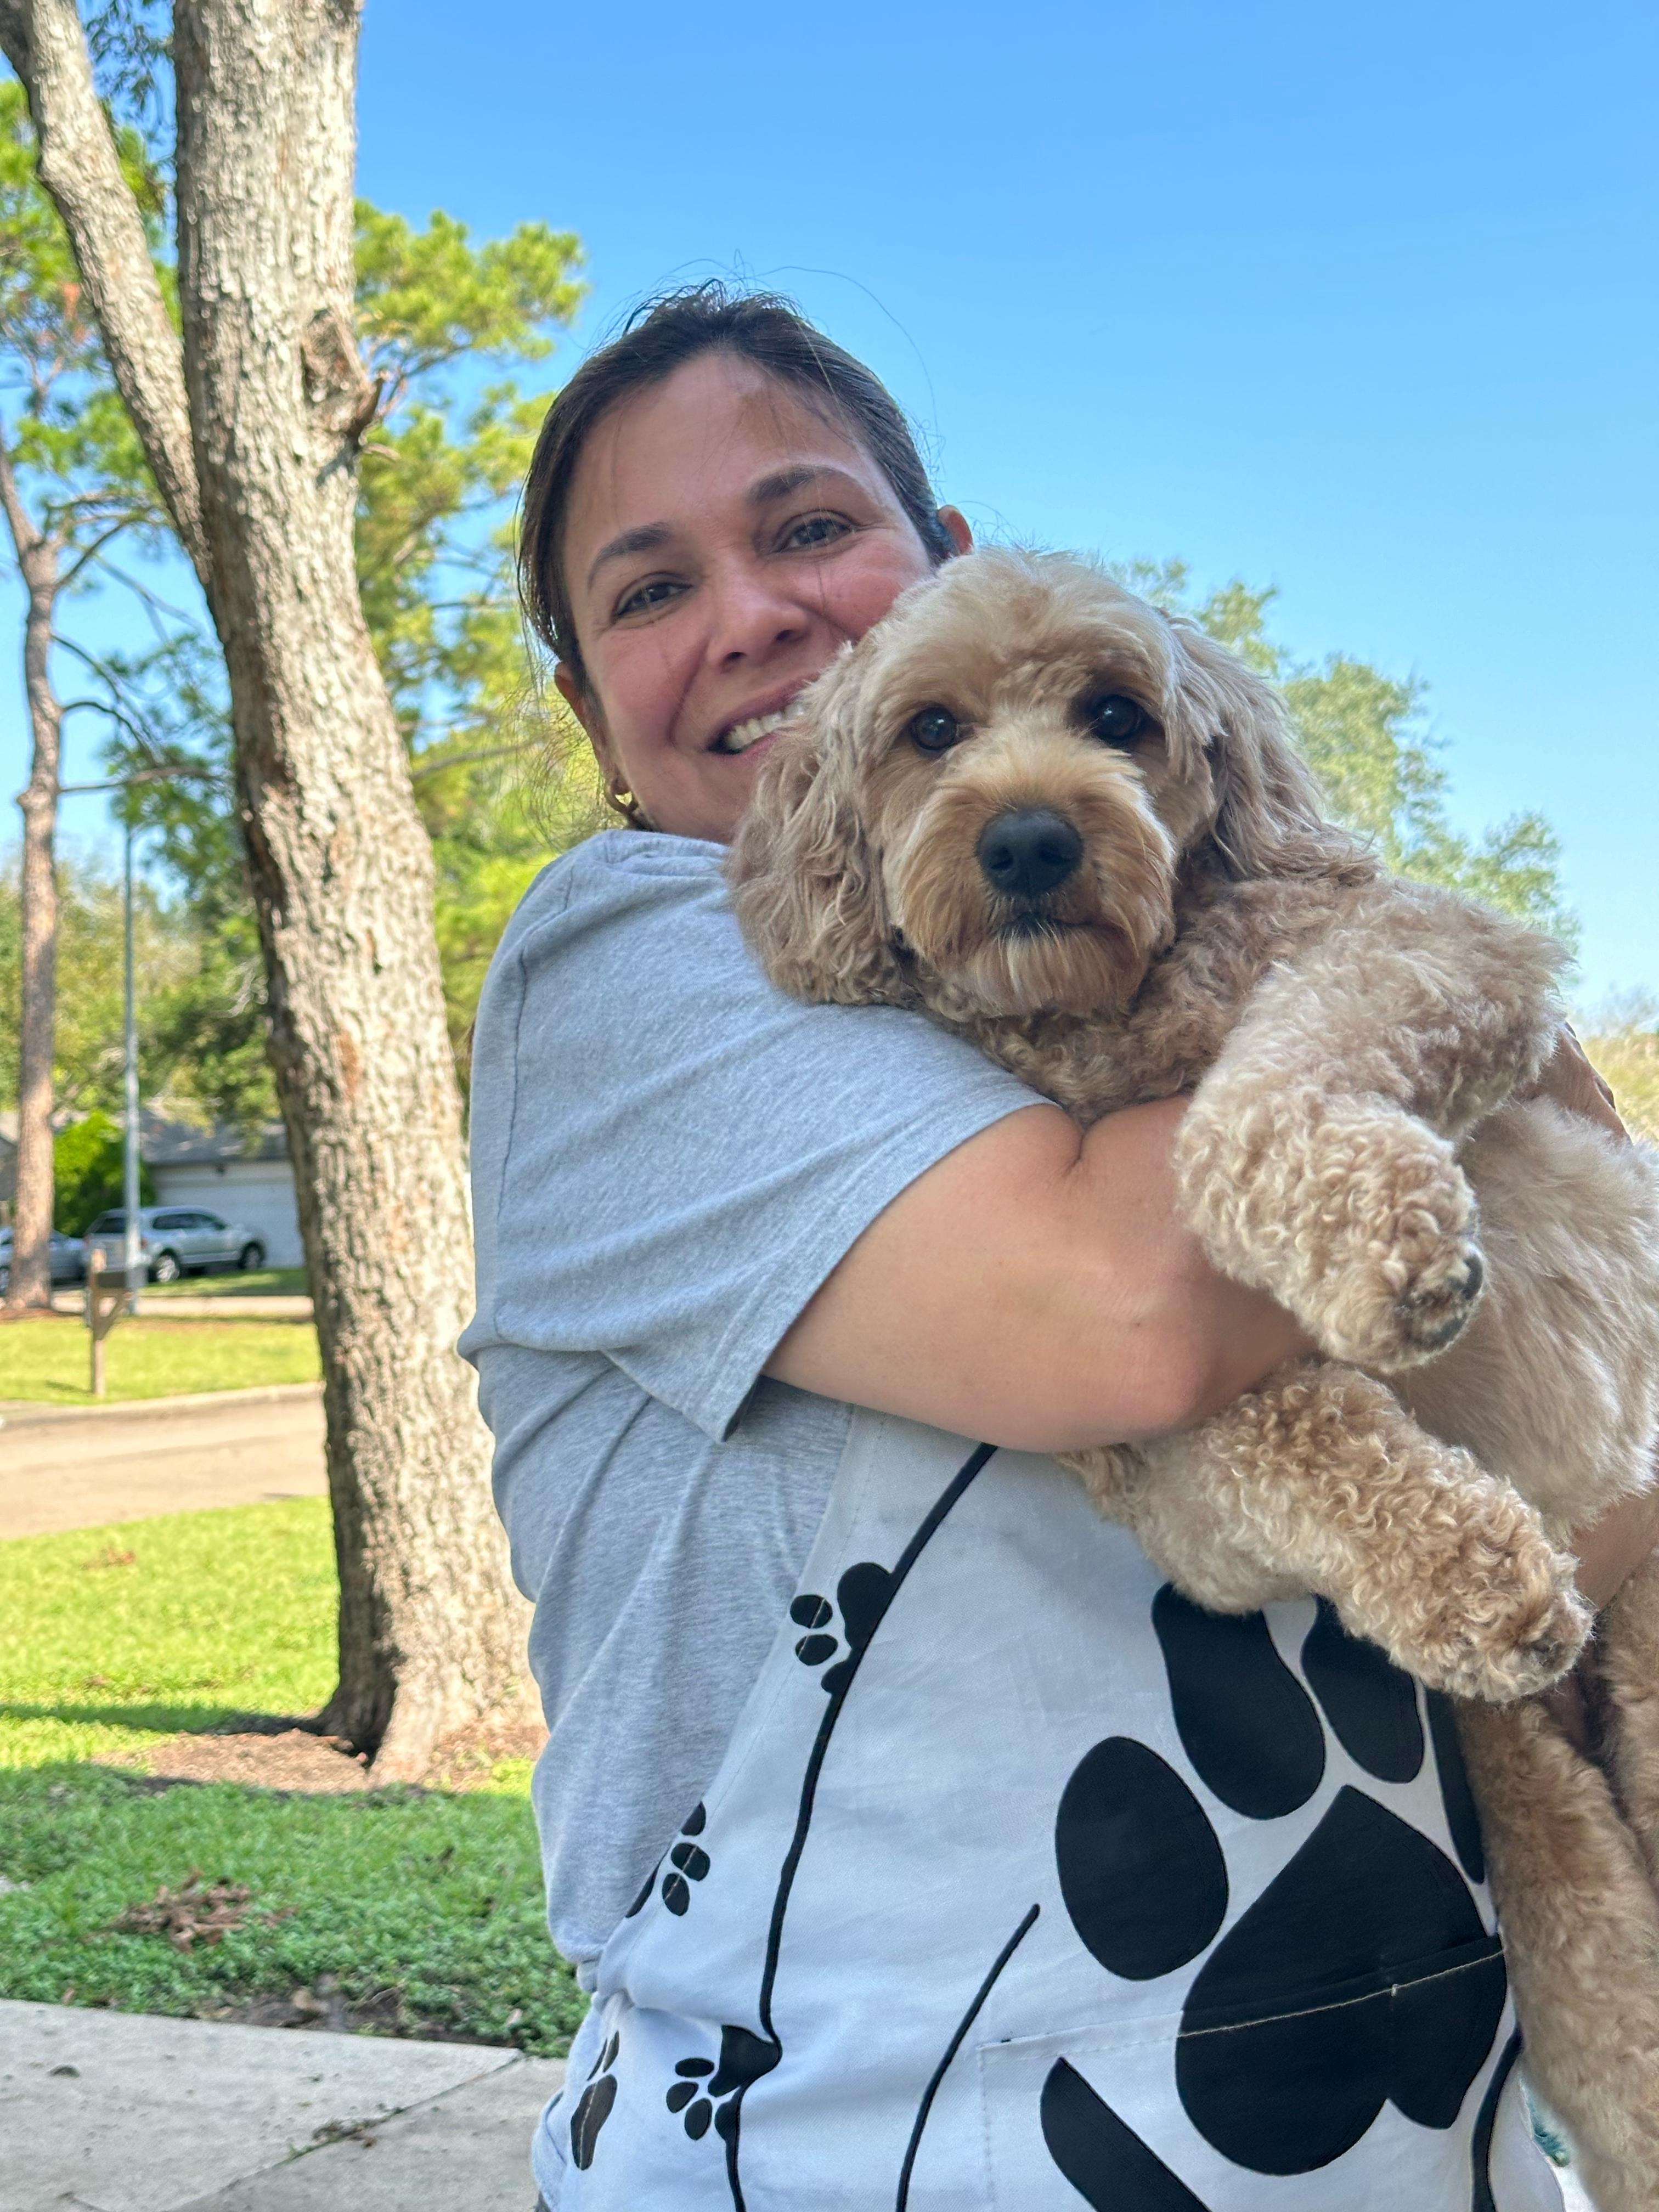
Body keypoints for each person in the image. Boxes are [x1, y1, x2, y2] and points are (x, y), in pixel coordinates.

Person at [461, 284, 1654, 2210]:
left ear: (951, 559)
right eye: (647, 590)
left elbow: (1568, 1270)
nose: (751, 614)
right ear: (591, 709)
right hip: (883, 2130)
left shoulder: (1152, 942)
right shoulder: (627, 966)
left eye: (808, 527)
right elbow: (1138, 1310)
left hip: (1424, 2113)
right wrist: (1421, 1038)